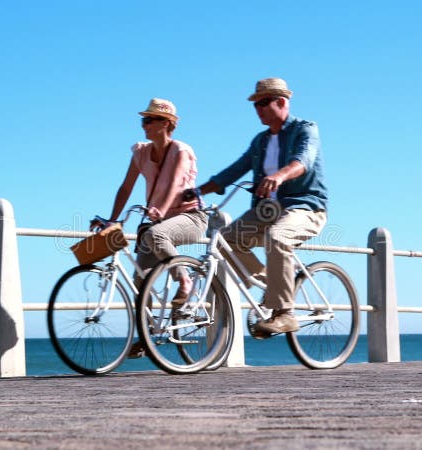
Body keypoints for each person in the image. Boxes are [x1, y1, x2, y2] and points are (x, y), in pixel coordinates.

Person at [196, 78, 328, 334]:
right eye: (255, 105)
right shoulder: (261, 141)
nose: (258, 109)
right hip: (267, 210)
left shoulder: (305, 129)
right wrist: (197, 191)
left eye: (264, 103)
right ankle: (276, 286)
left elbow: (303, 161)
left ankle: (285, 312)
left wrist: (279, 176)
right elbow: (234, 170)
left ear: (282, 102)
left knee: (276, 237)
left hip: (305, 206)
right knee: (225, 241)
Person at [101, 98, 207, 356]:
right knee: (140, 278)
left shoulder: (181, 150)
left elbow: (173, 183)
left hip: (190, 217)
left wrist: (160, 209)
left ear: (167, 123)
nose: (144, 124)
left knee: (157, 233)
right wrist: (112, 219)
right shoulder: (141, 152)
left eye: (150, 119)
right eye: (143, 119)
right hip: (157, 222)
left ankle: (184, 281)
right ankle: (149, 335)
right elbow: (126, 187)